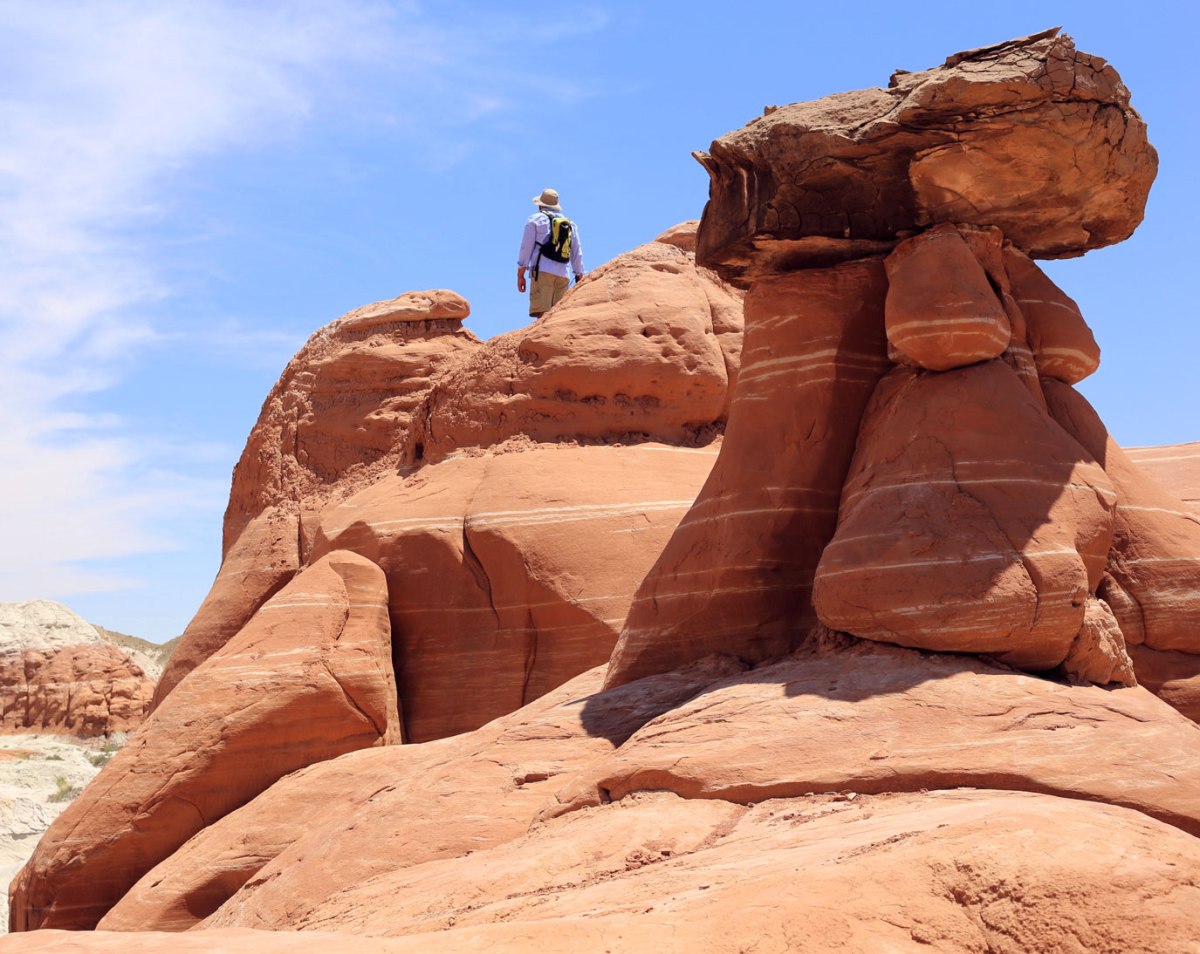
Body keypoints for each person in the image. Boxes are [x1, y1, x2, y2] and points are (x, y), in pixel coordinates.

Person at [517, 188, 585, 318]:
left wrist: (520, 274)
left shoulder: (535, 220)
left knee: (542, 316)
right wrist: (579, 275)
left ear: (540, 205)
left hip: (542, 272)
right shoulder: (570, 224)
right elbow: (577, 252)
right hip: (563, 275)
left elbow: (526, 248)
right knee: (558, 317)